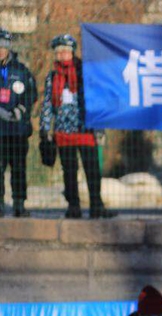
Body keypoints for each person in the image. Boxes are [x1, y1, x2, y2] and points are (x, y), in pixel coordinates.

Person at [40, 34, 112, 219]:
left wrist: (99, 128)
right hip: (63, 131)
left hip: (85, 129)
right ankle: (73, 206)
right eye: (59, 52)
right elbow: (48, 102)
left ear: (72, 52)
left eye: (66, 51)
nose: (63, 55)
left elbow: (96, 100)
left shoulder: (85, 73)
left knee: (92, 169)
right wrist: (45, 127)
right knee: (69, 171)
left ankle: (96, 204)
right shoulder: (52, 76)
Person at [0, 29, 37, 218]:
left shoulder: (21, 70)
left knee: (19, 169)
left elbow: (32, 93)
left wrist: (20, 110)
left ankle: (19, 204)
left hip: (18, 131)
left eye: (3, 46)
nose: (0, 50)